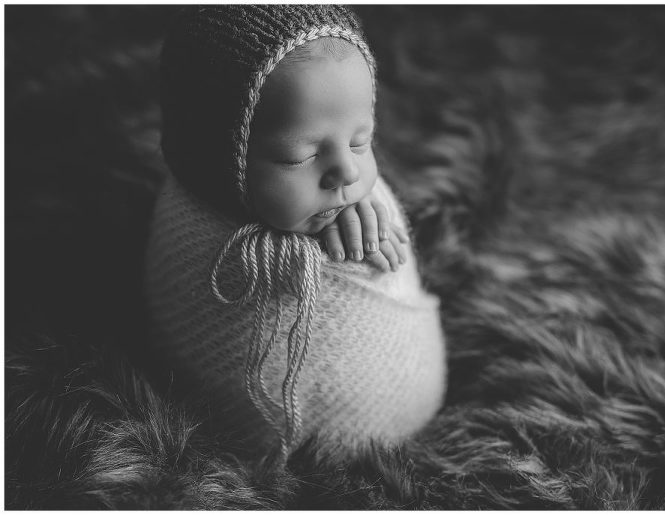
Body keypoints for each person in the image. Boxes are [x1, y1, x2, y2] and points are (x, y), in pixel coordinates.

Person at [146, 5, 446, 463]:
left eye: (360, 140)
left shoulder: (348, 182)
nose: (346, 172)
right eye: (297, 157)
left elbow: (385, 241)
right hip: (239, 448)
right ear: (219, 160)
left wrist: (372, 222)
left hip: (396, 444)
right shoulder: (196, 230)